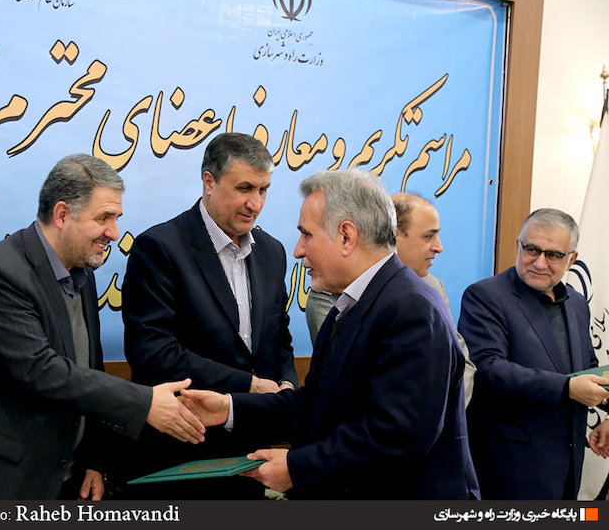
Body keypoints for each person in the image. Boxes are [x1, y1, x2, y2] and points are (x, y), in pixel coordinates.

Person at [182, 169, 479, 499]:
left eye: (306, 235)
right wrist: (229, 408)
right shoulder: (352, 303)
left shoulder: (411, 309)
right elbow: (315, 404)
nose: (298, 250)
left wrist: (296, 468)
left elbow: (397, 436)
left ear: (346, 237)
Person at [0, 154, 205, 500]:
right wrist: (144, 402)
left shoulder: (81, 273)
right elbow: (41, 370)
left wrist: (94, 459)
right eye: (104, 218)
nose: (114, 233)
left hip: (62, 476)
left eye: (116, 219)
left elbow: (87, 368)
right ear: (61, 215)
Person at [120, 132, 297, 498]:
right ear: (209, 182)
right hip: (181, 454)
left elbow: (279, 338)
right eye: (244, 188)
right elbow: (153, 354)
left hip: (252, 455)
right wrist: (249, 386)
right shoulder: (160, 248)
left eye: (263, 190)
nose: (255, 203)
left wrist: (286, 390)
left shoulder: (272, 252)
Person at [458, 208, 609, 499]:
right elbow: (488, 368)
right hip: (508, 470)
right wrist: (567, 388)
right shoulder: (485, 296)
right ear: (519, 245)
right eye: (531, 250)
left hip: (567, 468)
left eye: (553, 255)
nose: (539, 263)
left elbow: (588, 367)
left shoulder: (577, 303)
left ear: (572, 259)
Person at [306, 192, 476, 405]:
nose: (438, 247)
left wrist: (440, 413)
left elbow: (461, 365)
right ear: (393, 237)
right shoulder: (335, 289)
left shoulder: (431, 286)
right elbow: (345, 378)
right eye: (428, 236)